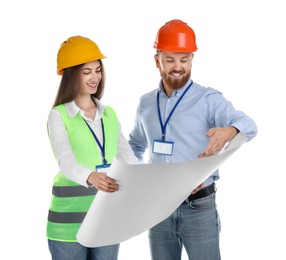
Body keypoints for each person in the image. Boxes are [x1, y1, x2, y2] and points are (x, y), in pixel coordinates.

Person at [129, 19, 258, 260]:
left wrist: (229, 130)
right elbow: (135, 146)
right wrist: (135, 177)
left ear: (191, 60)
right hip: (157, 208)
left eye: (184, 59)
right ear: (157, 60)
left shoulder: (208, 99)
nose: (177, 67)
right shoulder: (146, 103)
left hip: (197, 207)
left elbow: (249, 125)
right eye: (170, 60)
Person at [46, 35, 137, 260]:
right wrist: (91, 177)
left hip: (106, 219)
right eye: (87, 71)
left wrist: (138, 180)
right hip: (68, 226)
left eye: (98, 70)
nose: (95, 77)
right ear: (71, 74)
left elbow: (126, 156)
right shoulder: (58, 115)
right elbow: (64, 160)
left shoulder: (109, 114)